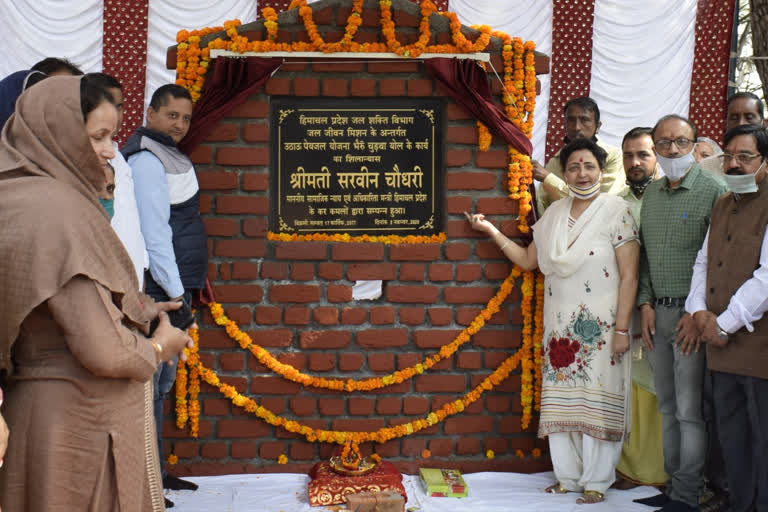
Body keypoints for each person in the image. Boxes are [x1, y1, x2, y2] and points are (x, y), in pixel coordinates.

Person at [0, 75, 192, 510]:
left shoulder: (15, 192)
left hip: (37, 410)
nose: (109, 150)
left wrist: (133, 306)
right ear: (59, 135)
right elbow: (103, 350)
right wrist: (160, 346)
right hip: (79, 419)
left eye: (112, 136)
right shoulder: (58, 210)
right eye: (97, 137)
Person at [468, 137, 639, 504]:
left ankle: (597, 481)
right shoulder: (554, 214)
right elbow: (529, 260)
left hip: (603, 327)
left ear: (601, 170)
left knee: (596, 398)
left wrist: (623, 328)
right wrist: (491, 231)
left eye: (589, 166)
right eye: (574, 167)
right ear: (564, 172)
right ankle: (569, 477)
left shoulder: (617, 211)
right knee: (565, 396)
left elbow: (630, 276)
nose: (581, 173)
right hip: (560, 328)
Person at [634, 115, 727, 512]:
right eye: (664, 143)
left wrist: (697, 311)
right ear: (655, 147)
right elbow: (647, 259)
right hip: (659, 315)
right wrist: (645, 304)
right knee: (668, 407)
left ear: (694, 144)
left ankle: (689, 495)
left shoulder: (714, 191)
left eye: (681, 142)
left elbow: (719, 262)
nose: (672, 150)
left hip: (693, 319)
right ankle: (673, 487)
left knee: (690, 411)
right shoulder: (651, 196)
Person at [123, 84, 207, 498]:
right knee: (152, 384)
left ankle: (155, 472)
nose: (179, 125)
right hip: (161, 289)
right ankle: (146, 481)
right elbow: (155, 235)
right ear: (151, 114)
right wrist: (176, 299)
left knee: (161, 387)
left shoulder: (166, 154)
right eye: (171, 115)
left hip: (172, 286)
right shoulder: (146, 160)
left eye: (186, 118)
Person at [685, 124, 768, 512]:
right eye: (729, 156)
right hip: (719, 343)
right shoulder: (722, 203)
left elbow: (766, 278)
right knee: (732, 436)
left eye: (745, 157)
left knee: (762, 438)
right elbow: (704, 260)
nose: (734, 164)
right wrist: (698, 310)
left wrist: (723, 322)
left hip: (758, 347)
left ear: (765, 162)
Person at [615, 127, 666, 489]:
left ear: (657, 157)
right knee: (627, 382)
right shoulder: (616, 201)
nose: (635, 162)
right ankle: (628, 469)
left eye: (643, 155)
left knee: (657, 383)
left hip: (661, 307)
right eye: (629, 155)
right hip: (622, 310)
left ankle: (659, 472)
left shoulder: (669, 198)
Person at [86, 72, 148, 288]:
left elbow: (131, 221)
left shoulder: (117, 157)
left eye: (119, 106)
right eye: (109, 105)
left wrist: (142, 265)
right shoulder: (75, 168)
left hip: (132, 277)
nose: (116, 114)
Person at [532, 97, 627, 214]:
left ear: (598, 126)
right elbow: (544, 208)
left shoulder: (613, 156)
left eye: (584, 120)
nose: (576, 127)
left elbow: (602, 206)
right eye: (571, 120)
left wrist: (549, 179)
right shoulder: (555, 161)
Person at [699, 92, 765, 179]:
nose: (741, 124)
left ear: (762, 122)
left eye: (749, 117)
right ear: (726, 123)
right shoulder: (706, 167)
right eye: (734, 118)